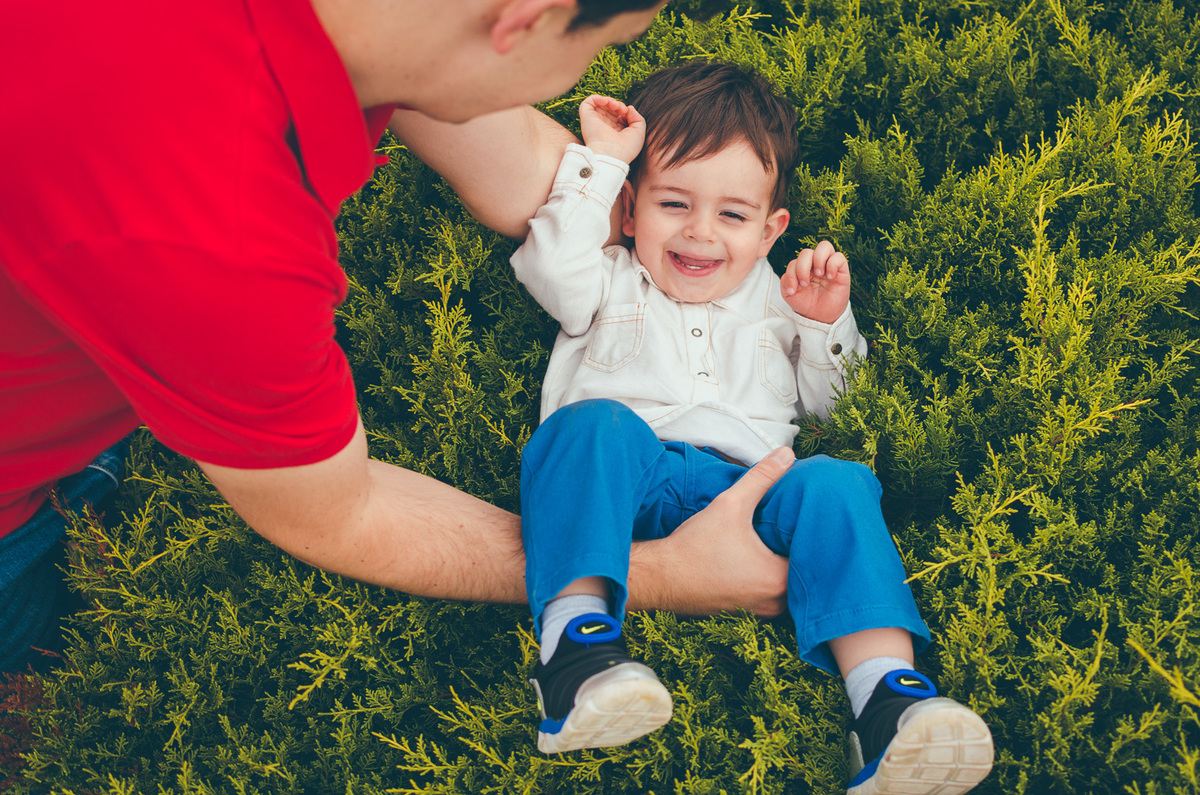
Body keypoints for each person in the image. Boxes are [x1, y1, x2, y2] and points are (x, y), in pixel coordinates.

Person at [0, 0, 795, 674]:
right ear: (525, 20)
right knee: (43, 645)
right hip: (15, 496)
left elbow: (519, 162)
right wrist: (656, 569)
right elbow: (338, 513)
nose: (577, 81)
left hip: (82, 329)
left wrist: (668, 217)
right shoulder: (216, 229)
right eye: (604, 47)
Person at [509, 61, 995, 794]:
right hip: (626, 474)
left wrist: (825, 325)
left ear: (771, 230)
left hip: (748, 489)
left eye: (733, 216)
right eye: (675, 204)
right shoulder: (608, 275)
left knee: (836, 482)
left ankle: (888, 700)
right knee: (589, 427)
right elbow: (549, 265)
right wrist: (602, 164)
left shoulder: (780, 302)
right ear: (632, 210)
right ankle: (575, 653)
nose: (702, 233)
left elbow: (835, 410)